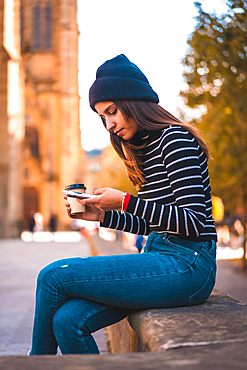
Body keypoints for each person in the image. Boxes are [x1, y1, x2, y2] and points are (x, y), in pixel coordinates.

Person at [29, 54, 217, 355]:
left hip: (189, 264)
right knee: (67, 320)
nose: (109, 124)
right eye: (103, 117)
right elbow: (153, 222)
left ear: (134, 102)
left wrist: (127, 201)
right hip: (159, 254)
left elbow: (194, 222)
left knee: (52, 275)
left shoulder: (175, 139)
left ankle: (35, 363)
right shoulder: (145, 147)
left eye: (112, 111)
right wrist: (103, 216)